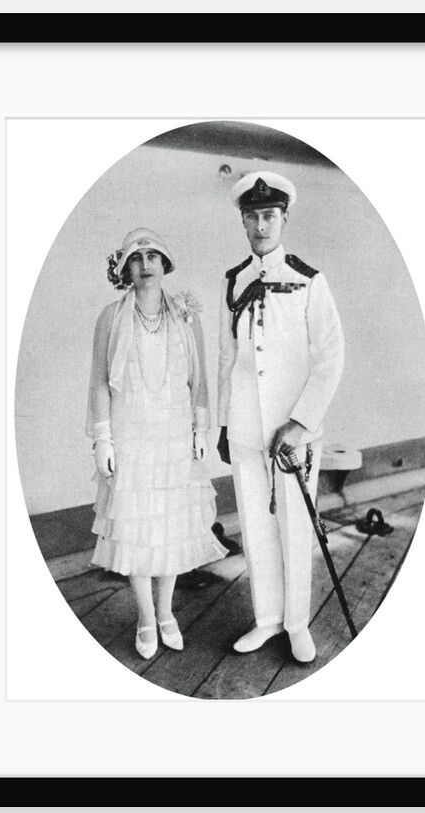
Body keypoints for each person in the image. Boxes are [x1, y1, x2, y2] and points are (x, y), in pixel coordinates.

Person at [217, 172, 345, 663]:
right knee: (255, 527)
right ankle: (267, 619)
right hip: (246, 427)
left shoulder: (309, 280)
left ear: (284, 218)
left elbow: (330, 357)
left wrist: (301, 422)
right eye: (252, 216)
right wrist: (225, 425)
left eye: (269, 215)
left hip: (292, 432)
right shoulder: (234, 281)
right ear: (243, 221)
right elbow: (227, 358)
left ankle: (296, 625)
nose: (260, 225)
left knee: (294, 527)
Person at [87, 227, 227, 660]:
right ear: (125, 268)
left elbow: (199, 379)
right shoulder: (111, 317)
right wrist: (103, 439)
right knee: (137, 528)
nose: (145, 264)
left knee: (170, 527)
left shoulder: (185, 314)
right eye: (135, 257)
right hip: (131, 436)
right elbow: (99, 381)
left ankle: (166, 613)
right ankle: (146, 618)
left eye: (152, 256)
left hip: (174, 437)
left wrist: (200, 430)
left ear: (165, 263)